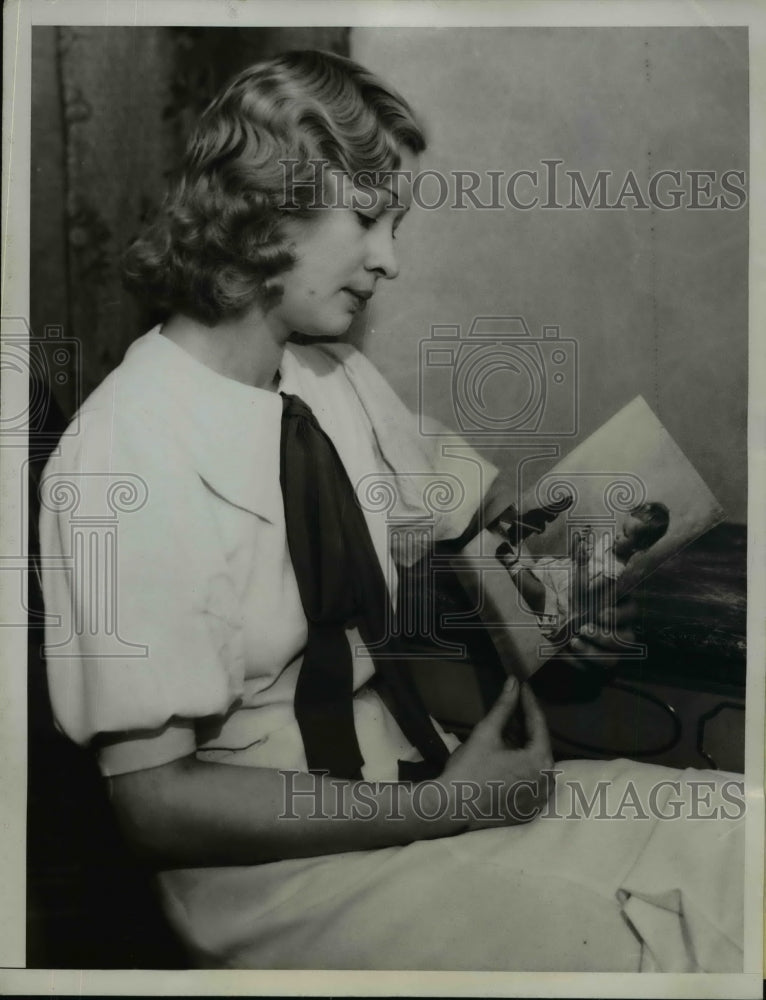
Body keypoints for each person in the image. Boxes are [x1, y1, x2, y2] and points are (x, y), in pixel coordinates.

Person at [39, 50, 744, 972]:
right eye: (369, 219)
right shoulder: (122, 453)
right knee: (670, 951)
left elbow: (429, 583)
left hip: (426, 781)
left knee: (741, 836)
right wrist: (447, 807)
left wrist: (547, 624)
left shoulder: (333, 379)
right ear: (263, 210)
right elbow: (156, 807)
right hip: (282, 873)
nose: (391, 261)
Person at [497, 502, 670, 638]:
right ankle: (522, 536)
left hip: (567, 599)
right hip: (564, 573)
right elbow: (572, 557)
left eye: (625, 534)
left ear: (638, 547)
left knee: (540, 594)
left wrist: (583, 564)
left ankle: (511, 563)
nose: (617, 534)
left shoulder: (613, 572)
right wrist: (578, 541)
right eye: (621, 528)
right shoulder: (608, 540)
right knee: (540, 569)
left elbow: (580, 595)